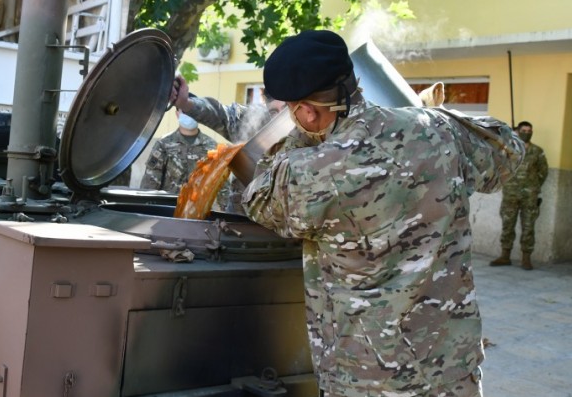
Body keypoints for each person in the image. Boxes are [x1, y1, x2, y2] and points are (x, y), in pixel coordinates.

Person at [241, 30, 525, 397]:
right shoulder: (435, 128)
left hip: (369, 378)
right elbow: (509, 150)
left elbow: (258, 199)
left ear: (307, 112)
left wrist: (300, 137)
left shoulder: (312, 171)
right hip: (451, 368)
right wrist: (430, 117)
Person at [169, 77, 287, 213]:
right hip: (239, 221)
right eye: (273, 112)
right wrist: (186, 103)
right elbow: (221, 114)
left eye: (285, 110)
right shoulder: (258, 120)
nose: (279, 118)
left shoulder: (312, 134)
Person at [491, 121, 548, 270]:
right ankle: (505, 256)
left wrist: (533, 186)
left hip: (530, 196)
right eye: (524, 130)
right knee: (507, 225)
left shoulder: (537, 151)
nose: (527, 133)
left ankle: (526, 258)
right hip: (510, 194)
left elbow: (543, 172)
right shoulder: (510, 149)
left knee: (528, 226)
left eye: (529, 130)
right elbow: (500, 166)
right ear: (518, 131)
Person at [139, 109, 218, 193]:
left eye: (193, 111)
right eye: (184, 111)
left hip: (200, 205)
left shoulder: (212, 146)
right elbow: (150, 183)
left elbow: (220, 182)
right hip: (170, 204)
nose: (189, 115)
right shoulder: (164, 144)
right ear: (177, 114)